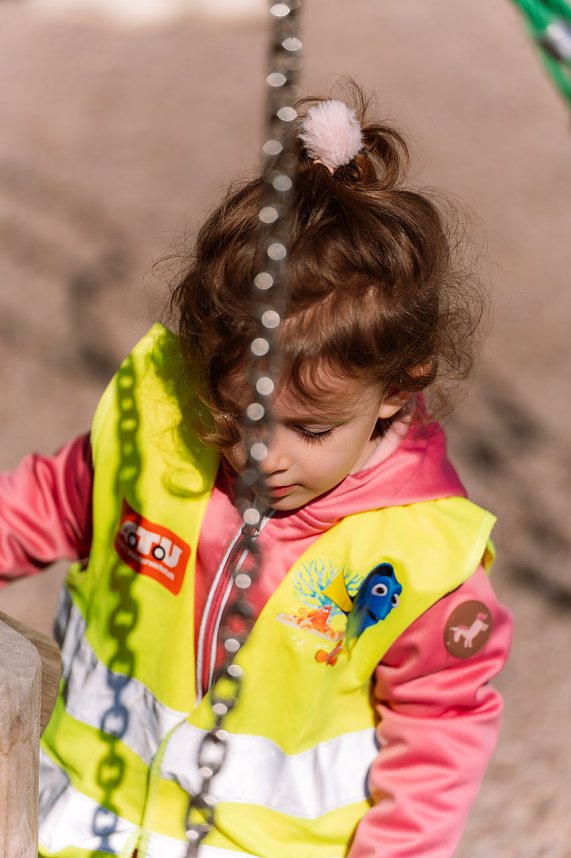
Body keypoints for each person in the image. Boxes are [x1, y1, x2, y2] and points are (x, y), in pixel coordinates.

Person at [0, 83, 512, 858]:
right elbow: (41, 505)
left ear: (398, 388)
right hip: (83, 821)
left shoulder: (421, 559)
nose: (263, 455)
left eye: (312, 429)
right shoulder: (159, 432)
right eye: (237, 415)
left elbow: (438, 735)